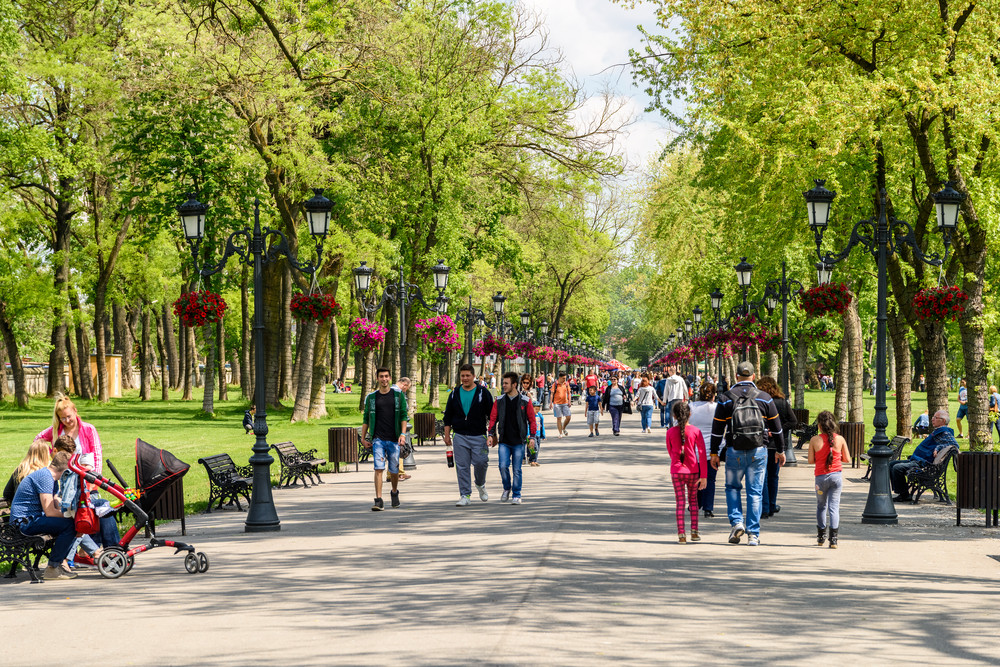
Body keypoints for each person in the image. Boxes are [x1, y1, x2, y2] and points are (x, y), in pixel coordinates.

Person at [709, 361, 785, 547]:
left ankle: (736, 523)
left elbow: (717, 429)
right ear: (753, 376)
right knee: (755, 492)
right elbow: (777, 429)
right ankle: (753, 534)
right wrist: (781, 450)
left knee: (733, 488)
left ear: (736, 376)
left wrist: (714, 453)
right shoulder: (765, 397)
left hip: (734, 450)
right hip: (758, 451)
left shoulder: (726, 397)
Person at [9, 450, 79, 580]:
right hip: (24, 523)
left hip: (32, 519)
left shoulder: (50, 477)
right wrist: (70, 516)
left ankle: (57, 565)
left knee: (75, 523)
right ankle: (53, 568)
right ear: (66, 469)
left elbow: (55, 501)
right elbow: (50, 512)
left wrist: (71, 511)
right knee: (71, 525)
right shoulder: (45, 478)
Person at [443, 364, 494, 506]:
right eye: (462, 376)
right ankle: (465, 495)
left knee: (481, 462)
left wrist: (492, 434)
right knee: (462, 467)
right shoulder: (454, 393)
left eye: (467, 376)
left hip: (478, 435)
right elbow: (448, 416)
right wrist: (447, 436)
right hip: (459, 436)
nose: (465, 378)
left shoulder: (483, 392)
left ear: (474, 376)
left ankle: (480, 483)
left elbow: (492, 416)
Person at [360, 367, 409, 511]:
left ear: (390, 378)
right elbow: (366, 418)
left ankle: (394, 492)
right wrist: (363, 438)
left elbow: (403, 416)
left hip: (394, 438)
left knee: (394, 470)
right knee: (378, 468)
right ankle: (378, 500)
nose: (384, 379)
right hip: (378, 439)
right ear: (377, 378)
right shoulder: (372, 397)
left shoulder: (398, 396)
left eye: (386, 376)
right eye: (381, 376)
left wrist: (403, 434)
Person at [488, 372, 538, 504]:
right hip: (504, 441)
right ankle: (506, 488)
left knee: (517, 469)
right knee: (503, 466)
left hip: (518, 442)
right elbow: (493, 419)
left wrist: (532, 437)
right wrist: (490, 434)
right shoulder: (499, 401)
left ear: (514, 384)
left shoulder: (525, 401)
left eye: (506, 383)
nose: (503, 385)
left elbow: (532, 420)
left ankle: (517, 494)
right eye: (503, 383)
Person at [890, 409, 957, 502]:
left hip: (923, 465)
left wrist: (938, 448)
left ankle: (903, 495)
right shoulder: (939, 431)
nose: (932, 419)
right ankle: (902, 493)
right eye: (933, 417)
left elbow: (954, 445)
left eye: (935, 417)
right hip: (917, 460)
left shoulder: (944, 432)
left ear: (943, 421)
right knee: (891, 464)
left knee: (897, 468)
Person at [34, 393, 104, 477]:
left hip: (85, 476)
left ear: (75, 411)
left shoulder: (88, 429)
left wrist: (97, 476)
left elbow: (97, 453)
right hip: (62, 476)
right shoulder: (56, 430)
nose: (67, 420)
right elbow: (37, 440)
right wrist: (51, 453)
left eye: (69, 416)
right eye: (63, 418)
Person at [666, 402, 707, 544]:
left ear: (674, 416)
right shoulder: (696, 431)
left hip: (677, 471)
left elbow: (670, 451)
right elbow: (702, 454)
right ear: (690, 414)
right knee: (693, 502)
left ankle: (681, 534)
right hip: (693, 471)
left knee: (680, 503)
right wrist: (704, 476)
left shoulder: (670, 432)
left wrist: (677, 462)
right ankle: (694, 532)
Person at [808, 411, 850, 548]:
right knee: (834, 507)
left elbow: (810, 460)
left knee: (821, 506)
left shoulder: (814, 440)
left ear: (819, 426)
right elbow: (847, 459)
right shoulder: (840, 439)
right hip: (836, 477)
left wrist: (820, 458)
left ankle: (821, 537)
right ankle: (834, 539)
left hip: (820, 478)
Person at [757, 376, 796, 519]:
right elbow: (793, 421)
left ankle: (765, 507)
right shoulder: (782, 402)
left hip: (763, 442)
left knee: (764, 476)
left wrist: (769, 431)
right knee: (773, 476)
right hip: (778, 444)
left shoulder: (761, 402)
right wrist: (778, 430)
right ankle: (772, 505)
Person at [689, 382, 719, 518]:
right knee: (710, 479)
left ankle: (695, 503)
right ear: (714, 394)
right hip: (713, 448)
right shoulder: (717, 408)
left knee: (695, 477)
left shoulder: (692, 407)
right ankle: (708, 508)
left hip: (694, 448)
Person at [3, 440, 52, 506]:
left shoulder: (20, 469)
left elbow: (7, 493)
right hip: (36, 512)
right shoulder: (44, 472)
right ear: (45, 455)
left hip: (18, 511)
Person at [389, 377, 413, 481]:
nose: (406, 391)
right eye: (407, 388)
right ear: (404, 385)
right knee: (398, 449)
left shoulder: (390, 390)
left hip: (389, 424)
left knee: (395, 449)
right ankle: (397, 473)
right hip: (396, 425)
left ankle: (395, 473)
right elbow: (405, 407)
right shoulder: (398, 392)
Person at [521, 374, 544, 465]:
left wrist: (529, 396)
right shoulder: (519, 392)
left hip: (531, 416)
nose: (525, 385)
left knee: (532, 437)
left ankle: (532, 459)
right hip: (522, 417)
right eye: (524, 382)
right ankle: (522, 457)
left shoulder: (533, 391)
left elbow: (535, 403)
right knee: (522, 439)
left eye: (527, 383)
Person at [552, 372, 572, 437]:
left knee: (568, 417)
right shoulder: (555, 384)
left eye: (565, 378)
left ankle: (563, 427)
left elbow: (569, 393)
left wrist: (569, 401)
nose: (564, 380)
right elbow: (552, 394)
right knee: (559, 418)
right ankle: (560, 433)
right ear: (560, 378)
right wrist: (550, 403)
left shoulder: (566, 384)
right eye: (563, 378)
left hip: (565, 403)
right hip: (557, 403)